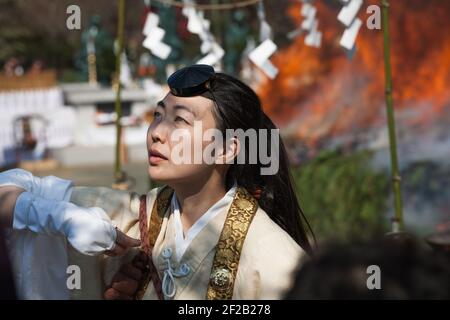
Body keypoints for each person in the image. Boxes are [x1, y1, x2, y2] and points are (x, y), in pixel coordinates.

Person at [0, 64, 314, 300]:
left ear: (227, 148)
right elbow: (9, 189)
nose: (157, 133)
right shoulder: (132, 218)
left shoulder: (272, 256)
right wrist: (59, 217)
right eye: (158, 115)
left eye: (180, 120)